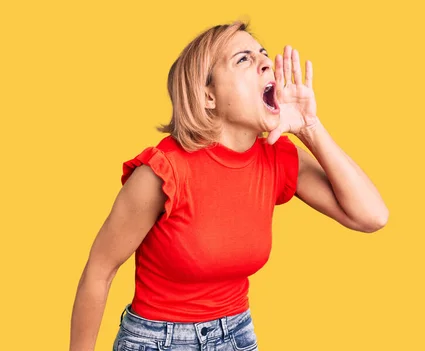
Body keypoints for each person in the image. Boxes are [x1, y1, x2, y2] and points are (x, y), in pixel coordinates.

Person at [69, 21, 388, 351]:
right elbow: (99, 271)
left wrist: (310, 127)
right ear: (208, 96)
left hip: (236, 336)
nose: (266, 63)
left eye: (263, 54)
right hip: (158, 341)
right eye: (243, 59)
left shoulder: (276, 158)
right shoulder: (163, 172)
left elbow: (371, 217)